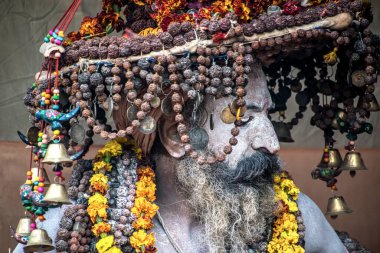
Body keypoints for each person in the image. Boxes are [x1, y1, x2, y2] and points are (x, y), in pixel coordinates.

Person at [14, 62, 347, 253]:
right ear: (176, 136)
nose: (272, 143)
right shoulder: (75, 228)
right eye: (243, 120)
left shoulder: (294, 214)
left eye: (267, 117)